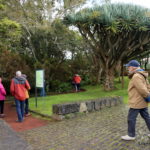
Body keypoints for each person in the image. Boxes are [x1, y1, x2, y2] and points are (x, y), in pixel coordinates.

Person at [121, 60, 150, 140]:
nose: (128, 68)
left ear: (133, 67)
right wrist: (147, 96)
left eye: (129, 67)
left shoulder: (136, 76)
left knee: (131, 118)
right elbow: (148, 86)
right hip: (142, 102)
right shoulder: (142, 74)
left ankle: (131, 135)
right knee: (147, 117)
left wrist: (148, 96)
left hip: (136, 102)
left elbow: (142, 89)